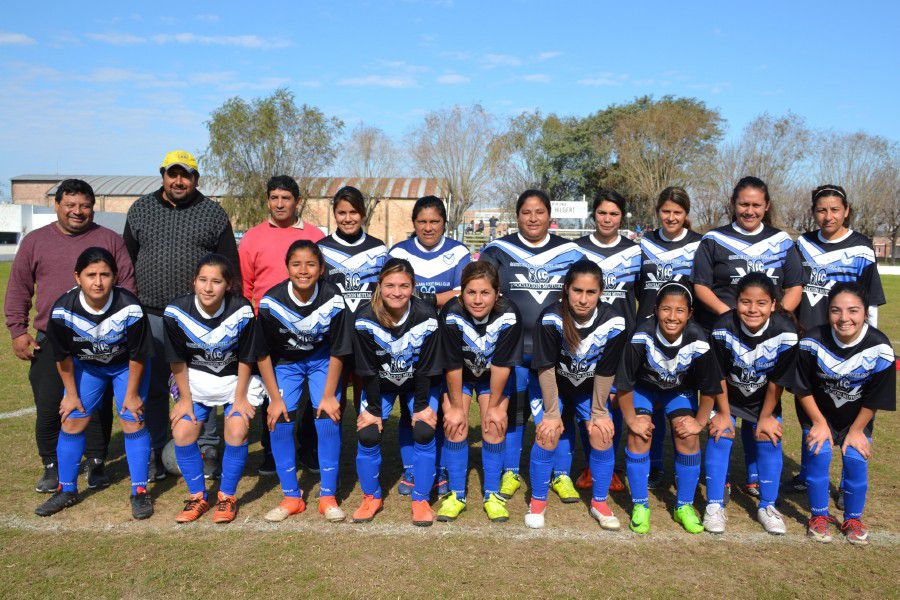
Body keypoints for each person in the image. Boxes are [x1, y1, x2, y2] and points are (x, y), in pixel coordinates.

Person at [5, 178, 135, 493]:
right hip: (54, 337)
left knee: (98, 404)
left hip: (101, 338)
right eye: (70, 205)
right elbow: (19, 286)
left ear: (93, 207)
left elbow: (127, 285)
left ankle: (96, 462)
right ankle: (51, 466)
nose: (77, 212)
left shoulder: (110, 240)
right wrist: (18, 330)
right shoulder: (36, 241)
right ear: (58, 206)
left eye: (85, 206)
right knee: (51, 404)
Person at [125, 150, 242, 481]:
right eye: (172, 174)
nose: (179, 180)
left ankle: (206, 448)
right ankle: (157, 449)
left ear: (196, 178)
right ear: (162, 174)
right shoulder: (140, 210)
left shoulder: (213, 213)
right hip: (151, 313)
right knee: (156, 385)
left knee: (206, 383)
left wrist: (229, 312)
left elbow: (229, 265)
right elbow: (127, 262)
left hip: (200, 317)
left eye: (186, 175)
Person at [692, 176, 803, 499]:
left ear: (766, 206)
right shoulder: (714, 239)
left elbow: (795, 286)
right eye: (744, 204)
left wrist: (774, 318)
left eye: (756, 205)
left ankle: (754, 475)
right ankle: (721, 477)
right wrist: (731, 318)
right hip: (725, 335)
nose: (749, 210)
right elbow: (701, 285)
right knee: (722, 399)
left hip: (766, 336)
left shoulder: (782, 241)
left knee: (761, 402)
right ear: (733, 204)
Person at [479, 190, 583, 500]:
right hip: (512, 347)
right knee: (514, 412)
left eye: (539, 212)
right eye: (526, 212)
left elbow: (583, 296)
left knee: (559, 412)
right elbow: (484, 293)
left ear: (550, 217)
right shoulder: (498, 250)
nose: (533, 218)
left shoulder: (572, 252)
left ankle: (561, 474)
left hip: (556, 350)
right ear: (517, 215)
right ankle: (511, 471)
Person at [34, 248, 152, 519]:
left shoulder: (130, 306)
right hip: (88, 367)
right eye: (91, 275)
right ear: (77, 277)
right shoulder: (63, 309)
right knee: (73, 418)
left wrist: (132, 394)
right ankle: (66, 489)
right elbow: (62, 356)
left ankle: (140, 491)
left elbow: (138, 355)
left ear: (115, 277)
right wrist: (71, 394)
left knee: (132, 418)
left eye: (105, 275)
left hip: (126, 367)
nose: (98, 282)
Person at [791, 184, 886, 495]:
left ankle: (847, 484)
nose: (827, 216)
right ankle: (808, 474)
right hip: (810, 344)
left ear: (846, 211)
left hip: (848, 346)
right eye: (821, 210)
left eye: (834, 209)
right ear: (814, 212)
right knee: (809, 410)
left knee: (848, 410)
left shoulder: (861, 248)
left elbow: (870, 300)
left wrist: (869, 342)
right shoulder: (802, 244)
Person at [256, 241, 354, 523]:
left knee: (327, 416)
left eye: (310, 264)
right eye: (296, 264)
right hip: (286, 363)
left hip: (323, 360)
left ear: (321, 268)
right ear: (287, 267)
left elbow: (338, 348)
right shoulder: (271, 301)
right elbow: (261, 353)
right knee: (279, 418)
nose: (303, 270)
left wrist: (328, 396)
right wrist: (274, 400)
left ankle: (327, 496)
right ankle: (291, 497)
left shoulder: (333, 297)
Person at [525, 260, 627, 530]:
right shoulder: (551, 318)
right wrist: (551, 413)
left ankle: (599, 502)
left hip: (589, 388)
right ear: (566, 290)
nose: (583, 299)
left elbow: (606, 371)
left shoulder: (614, 321)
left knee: (601, 433)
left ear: (601, 292)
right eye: (577, 291)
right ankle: (537, 501)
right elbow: (545, 368)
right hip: (552, 385)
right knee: (548, 433)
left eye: (590, 292)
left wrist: (598, 413)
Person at [615, 283, 724, 534]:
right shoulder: (641, 334)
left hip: (678, 391)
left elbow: (710, 388)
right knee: (639, 434)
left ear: (690, 313)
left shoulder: (698, 338)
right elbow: (624, 383)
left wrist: (698, 422)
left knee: (688, 435)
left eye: (679, 311)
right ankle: (640, 505)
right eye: (666, 309)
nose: (672, 317)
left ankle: (683, 505)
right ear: (655, 310)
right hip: (644, 390)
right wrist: (631, 420)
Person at [793, 282, 895, 545]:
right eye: (836, 311)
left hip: (857, 417)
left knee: (856, 459)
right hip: (817, 413)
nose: (844, 318)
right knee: (820, 452)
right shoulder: (811, 341)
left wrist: (858, 430)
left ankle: (853, 518)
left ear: (865, 313)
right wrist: (818, 423)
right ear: (828, 313)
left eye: (853, 311)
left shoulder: (880, 347)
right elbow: (802, 388)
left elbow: (875, 397)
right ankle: (819, 516)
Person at [164, 254, 263, 523]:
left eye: (216, 281)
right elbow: (177, 360)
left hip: (235, 381)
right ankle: (198, 496)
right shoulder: (176, 312)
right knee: (183, 431)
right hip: (194, 381)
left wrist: (241, 398)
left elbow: (246, 358)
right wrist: (184, 400)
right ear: (193, 282)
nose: (208, 288)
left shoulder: (241, 311)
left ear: (227, 285)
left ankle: (227, 497)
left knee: (237, 428)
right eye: (203, 280)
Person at [239, 175, 325, 476]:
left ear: (297, 202)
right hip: (268, 327)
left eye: (285, 198)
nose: (279, 203)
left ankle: (309, 448)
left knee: (308, 393)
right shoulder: (252, 237)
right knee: (271, 389)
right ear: (267, 200)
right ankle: (272, 452)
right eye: (274, 197)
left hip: (309, 326)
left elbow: (322, 282)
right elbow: (245, 285)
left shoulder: (315, 236)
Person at [705, 272, 799, 534]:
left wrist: (766, 416)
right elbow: (718, 375)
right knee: (720, 434)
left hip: (763, 399)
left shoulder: (787, 332)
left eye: (761, 303)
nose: (753, 309)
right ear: (736, 303)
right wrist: (723, 413)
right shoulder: (723, 327)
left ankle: (768, 505)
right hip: (727, 395)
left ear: (773, 305)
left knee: (769, 437)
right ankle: (713, 504)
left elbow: (776, 382)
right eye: (746, 302)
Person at [351, 258, 443, 526]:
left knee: (425, 429)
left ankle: (421, 499)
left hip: (419, 382)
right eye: (390, 285)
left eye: (404, 285)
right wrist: (374, 412)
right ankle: (371, 496)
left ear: (413, 286)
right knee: (367, 434)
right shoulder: (365, 318)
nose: (397, 292)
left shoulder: (426, 315)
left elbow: (427, 367)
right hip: (381, 384)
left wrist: (423, 406)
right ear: (379, 285)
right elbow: (367, 369)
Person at [389, 195, 471, 495]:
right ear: (414, 223)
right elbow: (391, 291)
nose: (428, 227)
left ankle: (439, 469)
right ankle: (411, 470)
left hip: (445, 340)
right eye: (422, 221)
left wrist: (430, 300)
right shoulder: (399, 251)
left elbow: (464, 292)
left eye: (434, 221)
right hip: (407, 341)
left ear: (444, 223)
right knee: (409, 406)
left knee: (436, 406)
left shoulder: (459, 251)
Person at [436, 261, 523, 522]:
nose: (477, 299)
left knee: (494, 425)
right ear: (461, 293)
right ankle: (456, 494)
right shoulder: (451, 313)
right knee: (455, 424)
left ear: (497, 293)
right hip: (459, 375)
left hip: (491, 377)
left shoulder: (509, 314)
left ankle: (492, 494)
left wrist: (495, 407)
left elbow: (501, 365)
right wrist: (454, 407)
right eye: (471, 292)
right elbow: (451, 364)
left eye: (485, 292)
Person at [633, 187, 703, 490]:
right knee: (650, 399)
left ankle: (682, 469)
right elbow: (638, 288)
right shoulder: (644, 244)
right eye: (666, 211)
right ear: (658, 212)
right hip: (649, 332)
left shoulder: (700, 245)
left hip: (682, 336)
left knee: (678, 399)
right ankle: (654, 465)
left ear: (686, 214)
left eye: (677, 212)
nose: (671, 217)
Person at [574, 189, 642, 494]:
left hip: (619, 341)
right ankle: (589, 463)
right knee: (584, 401)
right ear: (594, 215)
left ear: (622, 217)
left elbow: (643, 297)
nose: (607, 219)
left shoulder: (636, 252)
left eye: (614, 214)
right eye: (602, 213)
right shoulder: (575, 250)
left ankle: (610, 467)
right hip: (582, 338)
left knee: (612, 401)